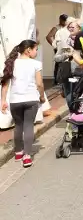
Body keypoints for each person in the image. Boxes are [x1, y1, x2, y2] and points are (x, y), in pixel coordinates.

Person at [0, 40, 46, 168]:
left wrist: (3, 101)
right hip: (31, 99)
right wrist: (42, 96)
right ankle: (27, 156)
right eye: (35, 49)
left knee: (18, 126)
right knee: (28, 126)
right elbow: (40, 84)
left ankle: (18, 152)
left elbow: (5, 84)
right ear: (28, 50)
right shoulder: (36, 64)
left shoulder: (11, 63)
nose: (36, 52)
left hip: (15, 100)